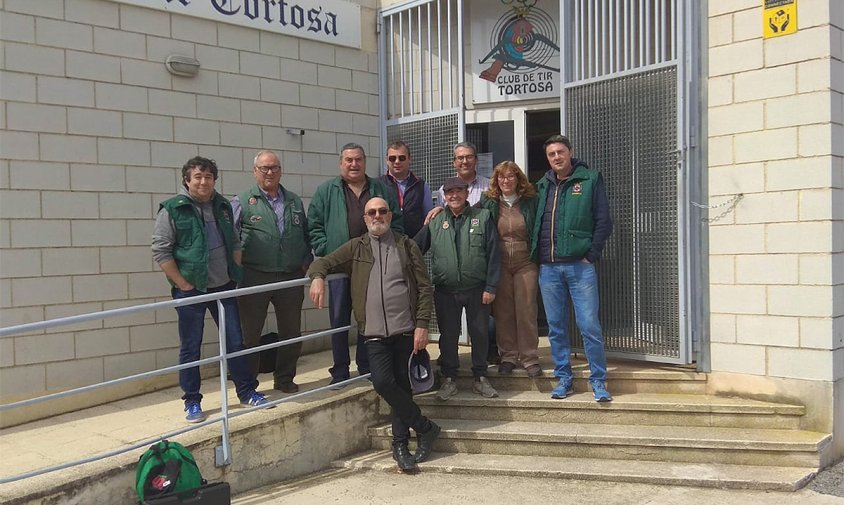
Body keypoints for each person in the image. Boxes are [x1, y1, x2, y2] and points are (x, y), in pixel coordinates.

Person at [307, 197, 441, 472]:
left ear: (390, 216)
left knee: (402, 387)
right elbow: (323, 263)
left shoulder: (406, 245)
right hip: (374, 334)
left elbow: (424, 287)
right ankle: (425, 427)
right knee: (382, 383)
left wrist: (422, 324)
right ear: (365, 218)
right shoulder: (356, 248)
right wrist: (317, 278)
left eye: (382, 211)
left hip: (406, 330)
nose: (377, 216)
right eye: (371, 212)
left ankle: (400, 446)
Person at [152, 156, 270, 423]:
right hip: (191, 290)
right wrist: (182, 283)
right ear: (187, 180)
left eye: (208, 177)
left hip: (224, 286)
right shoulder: (173, 209)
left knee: (235, 342)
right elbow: (160, 250)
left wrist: (235, 272)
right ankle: (192, 400)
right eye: (198, 177)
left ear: (214, 179)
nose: (204, 182)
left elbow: (235, 241)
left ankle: (247, 391)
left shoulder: (223, 205)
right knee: (191, 347)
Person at [308, 143, 403, 387]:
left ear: (364, 162)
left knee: (367, 320)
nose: (354, 164)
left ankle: (366, 366)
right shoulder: (326, 190)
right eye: (348, 160)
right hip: (340, 269)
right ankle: (340, 371)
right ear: (341, 163)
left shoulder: (380, 188)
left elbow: (397, 221)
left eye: (358, 159)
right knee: (339, 320)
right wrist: (326, 250)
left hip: (372, 267)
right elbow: (314, 225)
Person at [533, 135, 614, 402]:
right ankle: (564, 378)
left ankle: (598, 380)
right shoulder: (542, 185)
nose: (556, 157)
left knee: (588, 324)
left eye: (560, 152)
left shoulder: (589, 179)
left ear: (570, 153)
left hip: (580, 268)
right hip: (549, 269)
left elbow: (604, 221)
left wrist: (591, 255)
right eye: (551, 154)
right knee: (556, 327)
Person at [232, 150, 311, 394]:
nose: (270, 172)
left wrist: (305, 262)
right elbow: (231, 238)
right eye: (264, 168)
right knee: (250, 335)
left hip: (290, 276)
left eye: (274, 167)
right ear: (255, 171)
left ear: (281, 170)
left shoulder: (294, 201)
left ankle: (285, 378)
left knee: (291, 332)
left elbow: (305, 236)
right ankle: (249, 386)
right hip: (254, 276)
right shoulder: (242, 201)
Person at [416, 177, 501, 401]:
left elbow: (494, 254)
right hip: (445, 290)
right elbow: (413, 249)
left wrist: (491, 286)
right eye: (450, 192)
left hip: (477, 288)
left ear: (466, 194)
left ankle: (480, 378)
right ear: (444, 196)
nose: (454, 196)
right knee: (448, 336)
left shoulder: (482, 217)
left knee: (480, 333)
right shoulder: (435, 221)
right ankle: (449, 379)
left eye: (459, 191)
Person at [426, 141, 498, 365]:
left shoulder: (489, 188)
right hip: (448, 286)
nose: (464, 161)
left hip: (477, 275)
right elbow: (419, 244)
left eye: (468, 157)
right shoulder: (441, 205)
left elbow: (493, 246)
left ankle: (485, 363)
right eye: (460, 158)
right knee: (449, 331)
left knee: (483, 327)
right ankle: (449, 369)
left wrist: (491, 285)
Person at [478, 161, 542, 378]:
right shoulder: (489, 202)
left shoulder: (530, 201)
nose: (506, 181)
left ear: (518, 179)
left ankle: (529, 357)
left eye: (510, 177)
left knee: (526, 310)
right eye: (501, 177)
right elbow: (470, 216)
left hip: (526, 262)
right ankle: (508, 356)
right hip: (500, 263)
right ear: (496, 180)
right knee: (504, 312)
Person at [379, 141, 434, 239]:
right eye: (392, 158)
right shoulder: (378, 185)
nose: (397, 162)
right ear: (386, 161)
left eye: (402, 158)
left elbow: (429, 218)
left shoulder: (421, 185)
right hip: (386, 244)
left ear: (409, 159)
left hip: (415, 245)